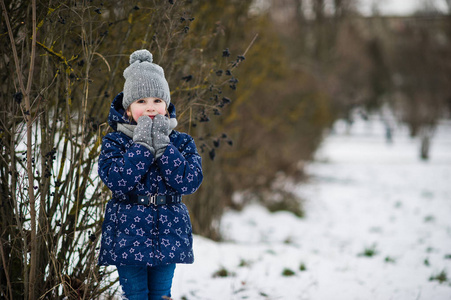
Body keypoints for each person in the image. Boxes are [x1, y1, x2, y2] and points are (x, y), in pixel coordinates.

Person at [97, 49, 203, 300]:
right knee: (135, 295)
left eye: (157, 101)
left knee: (161, 294)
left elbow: (190, 181)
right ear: (127, 108)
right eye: (141, 102)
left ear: (166, 106)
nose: (151, 108)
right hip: (128, 233)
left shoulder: (182, 142)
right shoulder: (116, 142)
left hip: (169, 231)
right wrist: (142, 147)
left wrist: (165, 148)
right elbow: (116, 179)